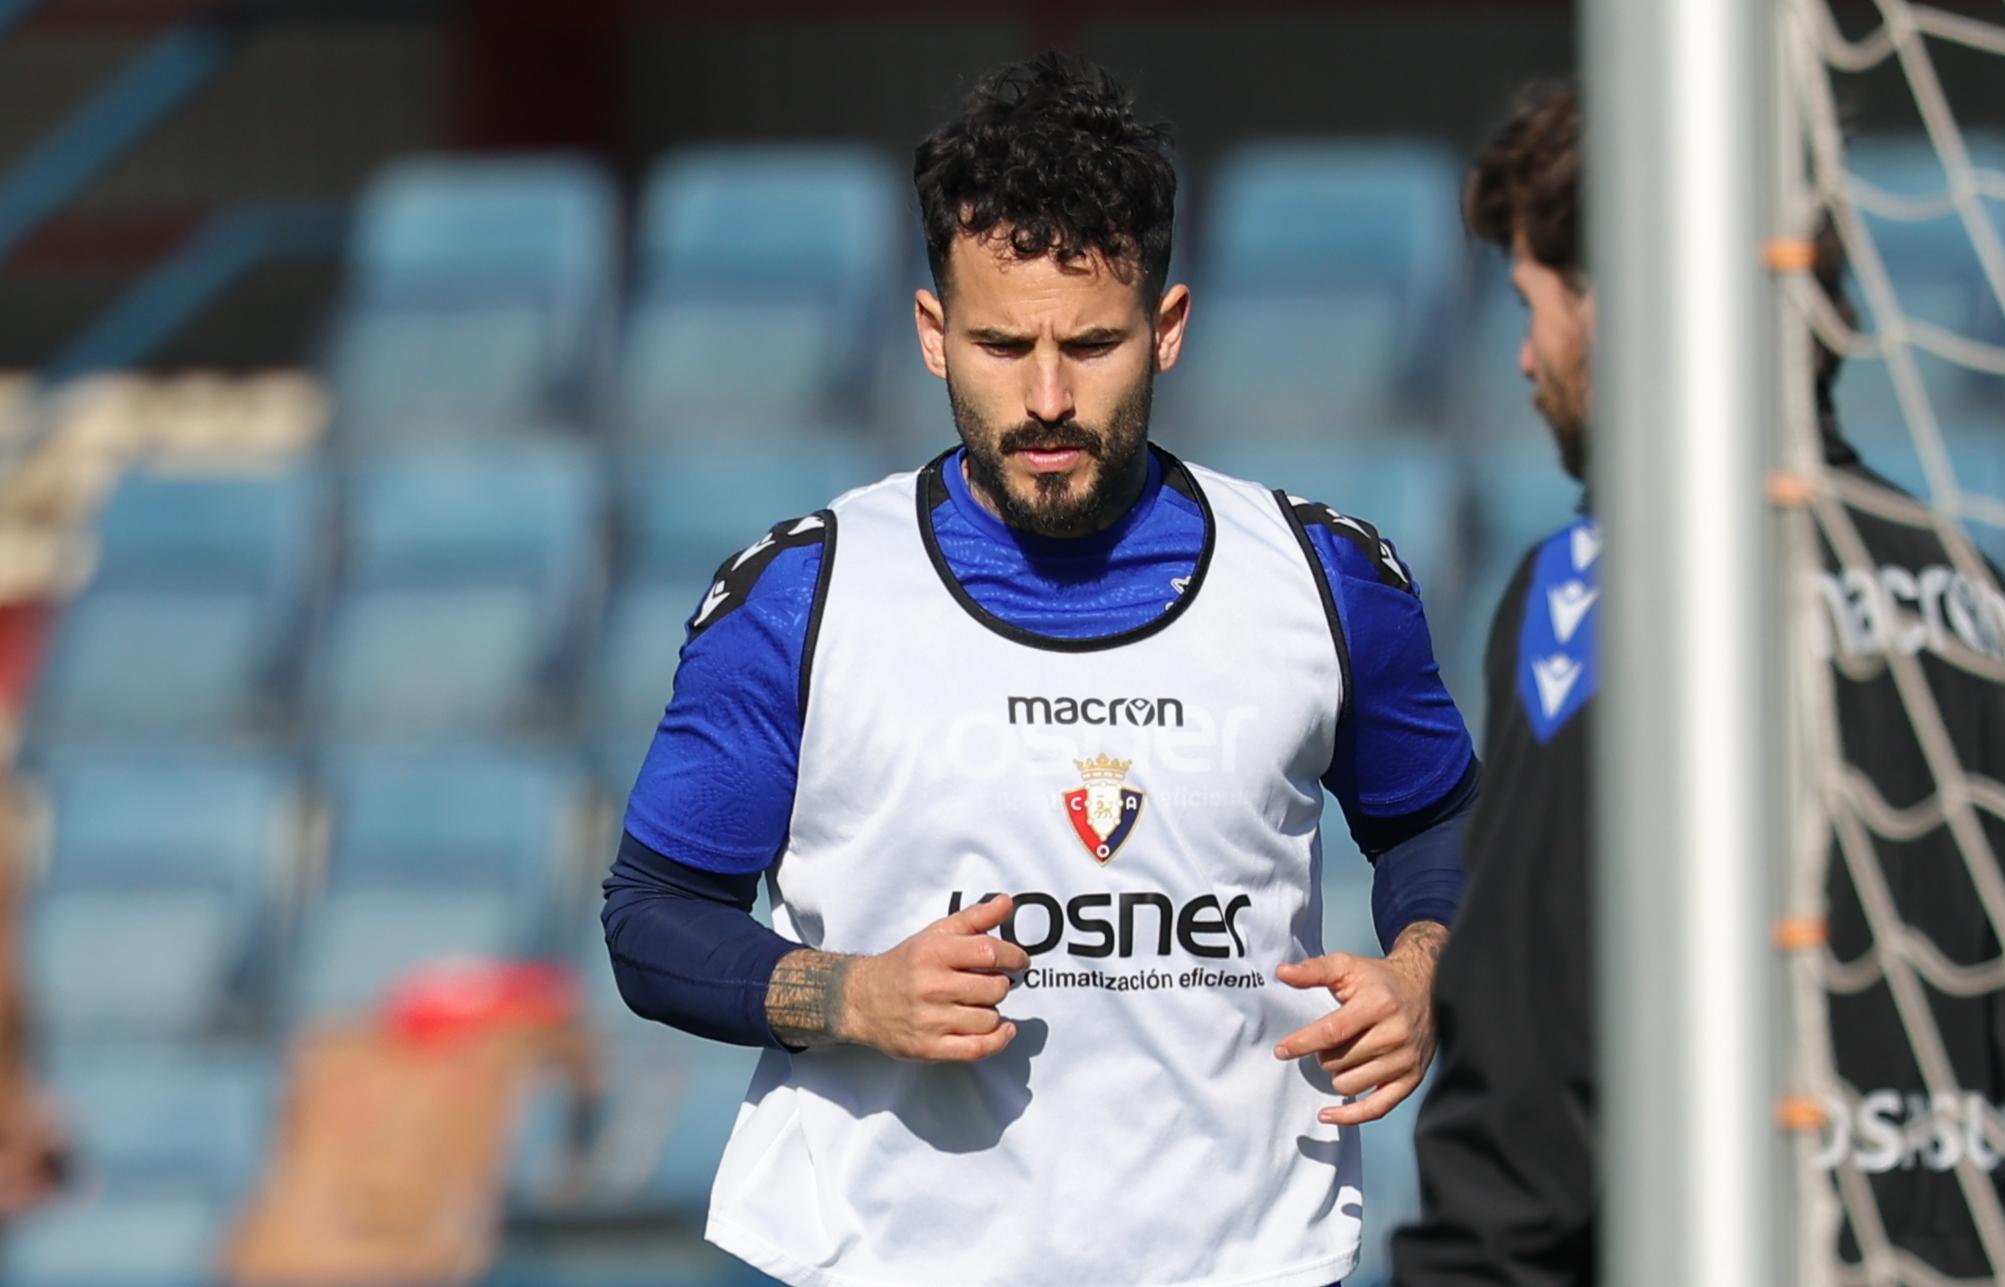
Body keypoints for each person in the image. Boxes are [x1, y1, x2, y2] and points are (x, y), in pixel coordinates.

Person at [599, 53, 1479, 1287]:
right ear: (931, 332)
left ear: (1165, 330)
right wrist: (847, 995)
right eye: (1002, 345)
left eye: (1094, 344)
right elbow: (651, 922)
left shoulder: (1322, 579)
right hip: (887, 1261)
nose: (1048, 398)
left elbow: (1439, 824)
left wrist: (1420, 972)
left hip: (1243, 1261)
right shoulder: (805, 595)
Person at [1391, 83, 2005, 1284]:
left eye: (1532, 305)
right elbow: (2002, 1046)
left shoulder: (1604, 585)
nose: (1522, 356)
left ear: (1623, 302)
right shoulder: (1984, 608)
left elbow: (1528, 1036)